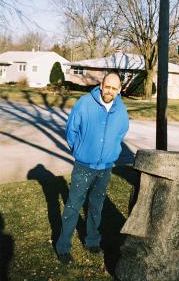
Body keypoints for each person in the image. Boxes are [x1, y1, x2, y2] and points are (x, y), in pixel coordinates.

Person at [56, 72, 129, 264]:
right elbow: (71, 130)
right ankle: (63, 247)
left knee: (96, 206)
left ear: (119, 90)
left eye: (114, 88)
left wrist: (112, 151)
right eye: (107, 87)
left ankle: (92, 241)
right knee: (73, 206)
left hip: (105, 168)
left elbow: (121, 132)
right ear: (101, 85)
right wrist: (79, 150)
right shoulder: (84, 103)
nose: (110, 91)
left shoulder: (121, 110)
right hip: (83, 166)